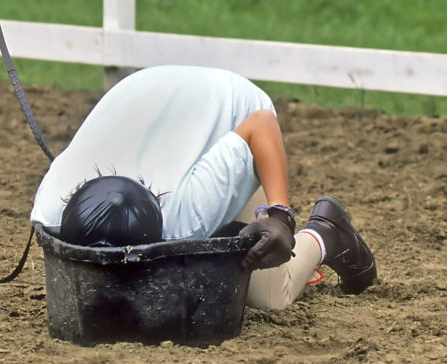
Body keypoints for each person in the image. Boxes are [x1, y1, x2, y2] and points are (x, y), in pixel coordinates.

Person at [31, 65, 377, 310]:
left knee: (269, 296)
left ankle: (325, 232)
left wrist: (280, 217)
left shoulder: (186, 215)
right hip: (149, 94)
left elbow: (261, 124)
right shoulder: (50, 207)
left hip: (234, 111)